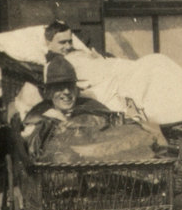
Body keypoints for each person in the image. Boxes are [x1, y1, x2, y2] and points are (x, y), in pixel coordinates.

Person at [22, 56, 160, 163]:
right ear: (49, 92)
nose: (66, 92)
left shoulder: (90, 106)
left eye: (70, 86)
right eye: (59, 87)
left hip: (102, 157)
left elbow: (114, 123)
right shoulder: (39, 117)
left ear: (76, 90)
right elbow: (34, 150)